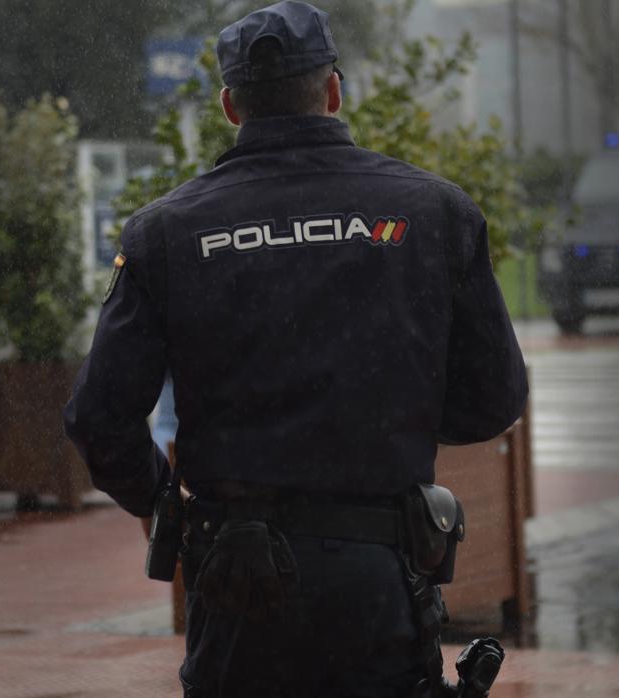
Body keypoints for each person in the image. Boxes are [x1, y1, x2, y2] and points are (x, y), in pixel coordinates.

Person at [63, 2, 529, 696]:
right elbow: (495, 398)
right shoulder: (434, 213)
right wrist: (386, 424)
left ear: (229, 105)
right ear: (334, 90)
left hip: (239, 582)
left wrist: (165, 507)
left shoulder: (166, 234)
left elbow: (100, 418)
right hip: (379, 582)